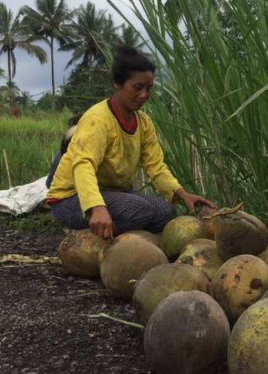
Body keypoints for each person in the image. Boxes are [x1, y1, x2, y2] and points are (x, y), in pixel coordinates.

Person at [46, 46, 215, 239]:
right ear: (118, 84)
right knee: (138, 210)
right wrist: (96, 207)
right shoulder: (98, 119)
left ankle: (124, 239)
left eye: (148, 89)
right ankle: (92, 239)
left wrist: (182, 193)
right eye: (137, 88)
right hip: (71, 198)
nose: (144, 95)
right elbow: (84, 165)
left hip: (113, 193)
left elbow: (155, 166)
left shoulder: (144, 122)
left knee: (166, 213)